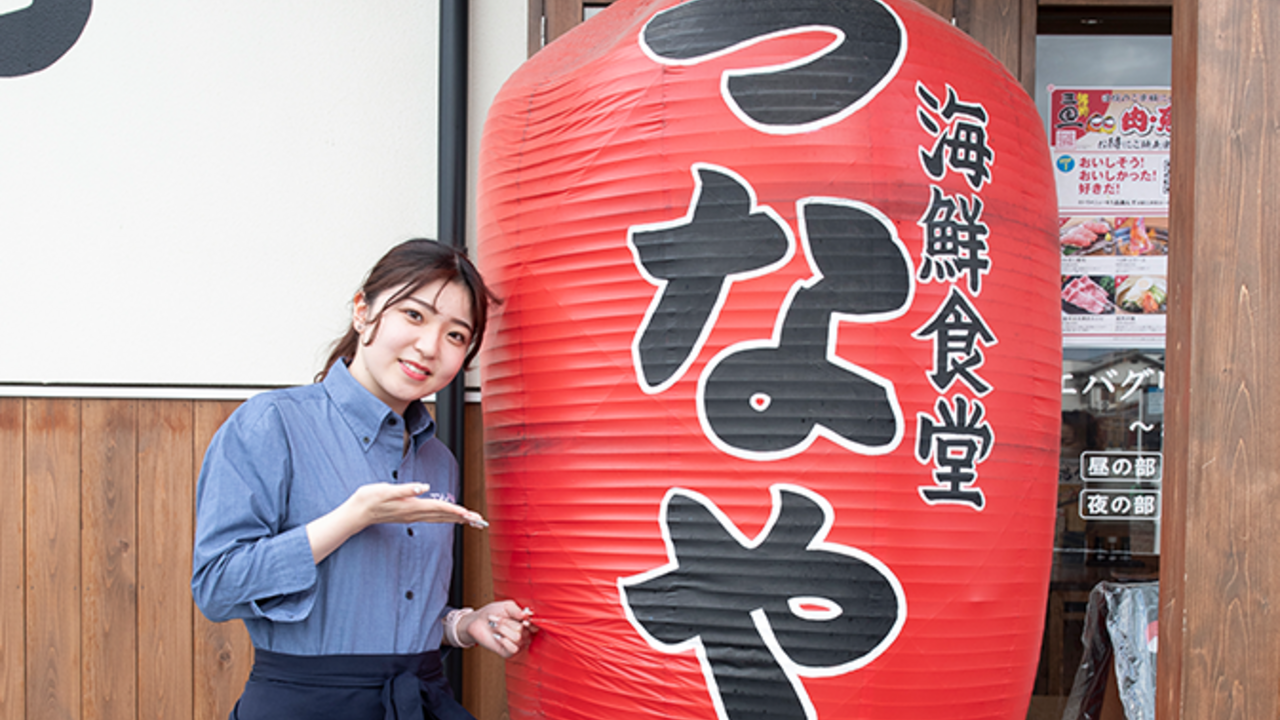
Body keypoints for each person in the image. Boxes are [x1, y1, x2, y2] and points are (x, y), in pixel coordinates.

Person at [191, 239, 534, 719]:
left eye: (456, 335)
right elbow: (217, 587)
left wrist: (463, 624)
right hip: (304, 706)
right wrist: (350, 519)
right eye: (414, 315)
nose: (429, 346)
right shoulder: (272, 424)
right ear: (362, 311)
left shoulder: (437, 460)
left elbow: (385, 608)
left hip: (417, 702)